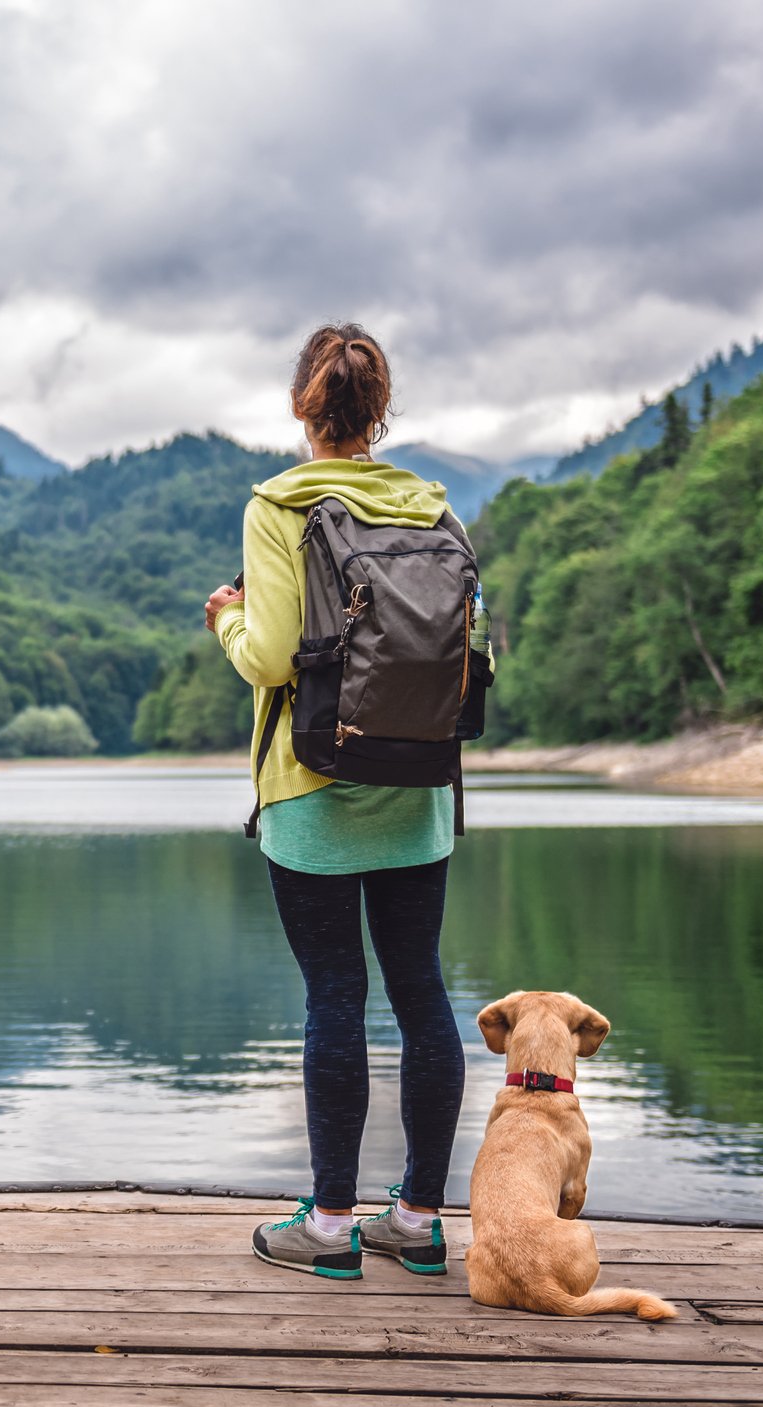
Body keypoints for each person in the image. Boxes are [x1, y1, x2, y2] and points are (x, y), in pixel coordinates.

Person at [204, 324, 467, 1281]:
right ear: (378, 412)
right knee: (421, 992)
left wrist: (227, 617)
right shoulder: (431, 507)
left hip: (312, 787)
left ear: (300, 408)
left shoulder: (280, 503)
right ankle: (419, 1218)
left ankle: (328, 1227)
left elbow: (271, 658)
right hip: (418, 792)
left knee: (335, 998)